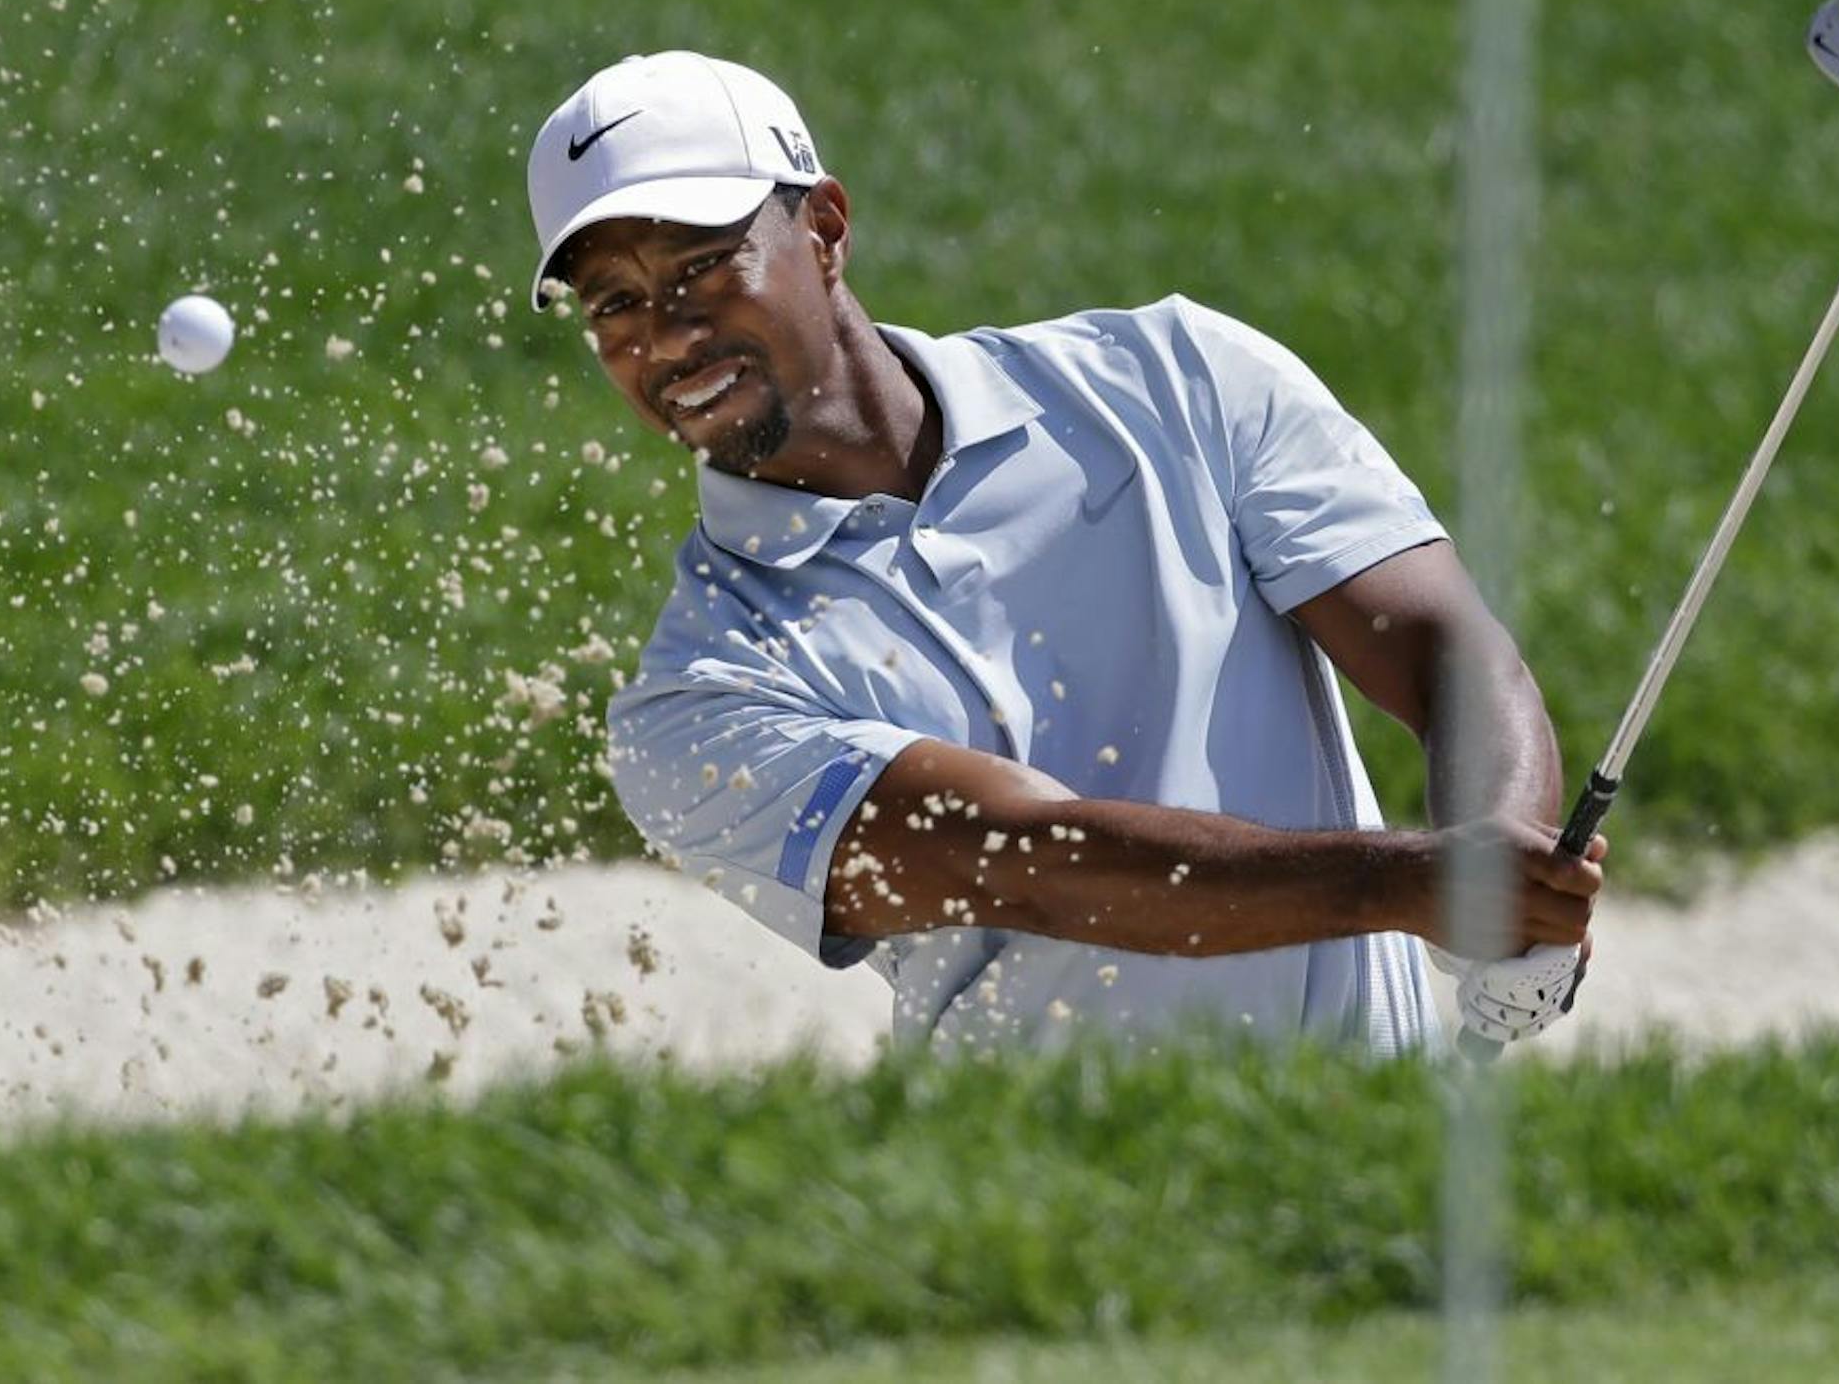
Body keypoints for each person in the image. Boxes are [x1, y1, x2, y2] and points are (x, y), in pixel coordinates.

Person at [523, 51, 1602, 1056]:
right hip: (1056, 1223)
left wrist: (1506, 862)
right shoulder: (697, 705)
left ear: (827, 228)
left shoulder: (1178, 376)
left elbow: (1441, 648)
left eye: (705, 267)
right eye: (613, 302)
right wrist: (1413, 885)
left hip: (1370, 1139)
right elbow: (1030, 861)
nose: (662, 336)